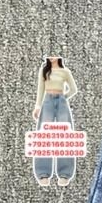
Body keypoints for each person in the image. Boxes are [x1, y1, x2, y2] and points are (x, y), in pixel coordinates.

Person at [32, 55, 78, 187]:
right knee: (44, 135)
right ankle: (43, 173)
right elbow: (40, 89)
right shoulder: (44, 70)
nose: (51, 57)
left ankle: (65, 173)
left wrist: (64, 97)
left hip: (61, 101)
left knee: (65, 135)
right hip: (47, 101)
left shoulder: (65, 71)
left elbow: (73, 89)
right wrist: (37, 106)